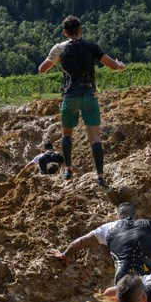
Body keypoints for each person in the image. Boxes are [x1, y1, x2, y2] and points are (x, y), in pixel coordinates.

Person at [39, 15, 126, 186]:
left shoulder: (59, 49)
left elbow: (42, 69)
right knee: (95, 138)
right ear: (80, 30)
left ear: (65, 32)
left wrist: (56, 60)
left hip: (70, 95)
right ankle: (100, 176)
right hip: (89, 95)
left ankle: (68, 170)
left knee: (66, 134)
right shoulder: (91, 46)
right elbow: (114, 66)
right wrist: (121, 65)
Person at [47, 202, 151, 283]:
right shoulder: (148, 224)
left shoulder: (108, 228)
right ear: (136, 216)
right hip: (149, 279)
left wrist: (65, 254)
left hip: (123, 280)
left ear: (117, 217)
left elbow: (81, 242)